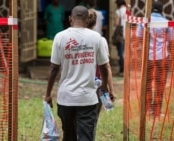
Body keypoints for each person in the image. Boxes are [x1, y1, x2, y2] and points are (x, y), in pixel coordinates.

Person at [44, 5, 114, 141]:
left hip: (65, 98)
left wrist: (48, 94)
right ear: (88, 20)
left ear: (70, 19)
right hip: (88, 98)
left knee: (69, 135)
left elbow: (53, 68)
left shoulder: (60, 37)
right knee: (86, 136)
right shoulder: (96, 38)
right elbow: (104, 66)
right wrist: (104, 86)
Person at [136, 1, 174, 118]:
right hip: (162, 57)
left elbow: (139, 38)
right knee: (160, 84)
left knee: (147, 83)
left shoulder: (144, 22)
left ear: (150, 9)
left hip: (147, 57)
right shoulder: (167, 23)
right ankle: (157, 111)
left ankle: (148, 109)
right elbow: (171, 40)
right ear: (162, 10)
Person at [87, 9, 116, 139]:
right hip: (96, 85)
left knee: (78, 119)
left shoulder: (72, 38)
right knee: (92, 119)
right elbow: (106, 66)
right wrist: (111, 89)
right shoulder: (100, 40)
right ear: (95, 22)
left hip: (78, 84)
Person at [113, 0, 127, 76]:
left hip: (120, 35)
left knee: (120, 53)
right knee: (125, 53)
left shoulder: (118, 11)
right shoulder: (128, 11)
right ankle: (125, 70)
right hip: (127, 34)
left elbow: (116, 23)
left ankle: (122, 70)